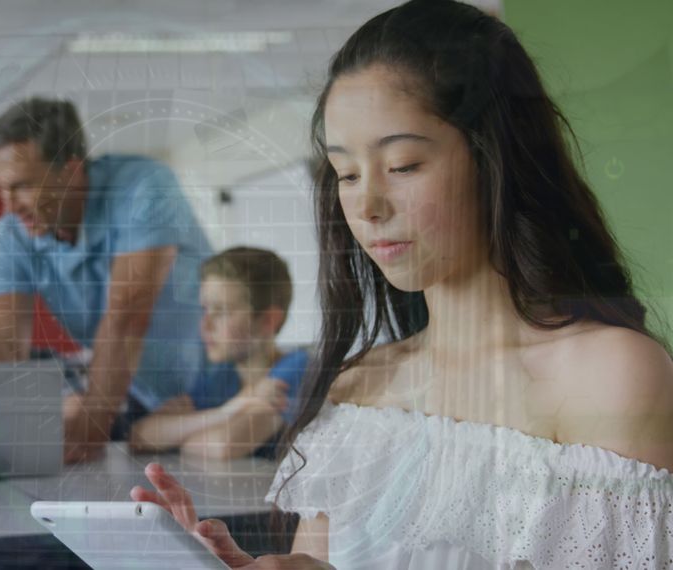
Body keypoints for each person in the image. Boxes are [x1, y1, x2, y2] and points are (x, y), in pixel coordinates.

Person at [130, 1, 673, 568]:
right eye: (347, 174)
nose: (366, 205)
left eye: (404, 164)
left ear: (497, 157)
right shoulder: (359, 384)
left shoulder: (610, 376)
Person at [0, 97, 213, 461]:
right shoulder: (8, 237)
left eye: (23, 186)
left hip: (220, 388)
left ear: (71, 171)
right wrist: (11, 451)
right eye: (1, 189)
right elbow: (3, 355)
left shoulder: (144, 187)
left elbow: (126, 319)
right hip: (139, 397)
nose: (9, 206)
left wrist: (86, 434)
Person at [130, 247, 308, 460]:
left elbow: (222, 445)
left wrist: (179, 435)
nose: (206, 324)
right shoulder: (222, 376)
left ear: (269, 320)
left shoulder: (297, 369)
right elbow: (141, 435)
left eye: (221, 311)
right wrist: (230, 409)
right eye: (205, 309)